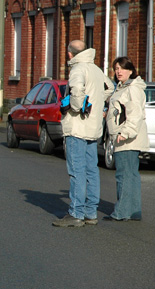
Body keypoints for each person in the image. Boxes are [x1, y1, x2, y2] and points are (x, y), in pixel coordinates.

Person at [52, 40, 115, 227]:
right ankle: (90, 212)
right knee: (91, 170)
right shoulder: (95, 69)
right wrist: (95, 102)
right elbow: (110, 87)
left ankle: (75, 213)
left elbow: (76, 91)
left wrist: (77, 106)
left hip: (77, 127)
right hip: (93, 127)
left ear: (70, 54)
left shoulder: (77, 69)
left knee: (76, 171)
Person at [104, 57, 149, 221]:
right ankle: (134, 211)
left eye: (122, 68)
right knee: (131, 175)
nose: (118, 71)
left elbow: (135, 114)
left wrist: (125, 133)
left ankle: (121, 212)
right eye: (116, 68)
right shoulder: (122, 88)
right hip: (125, 137)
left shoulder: (132, 89)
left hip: (127, 139)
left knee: (124, 175)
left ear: (131, 70)